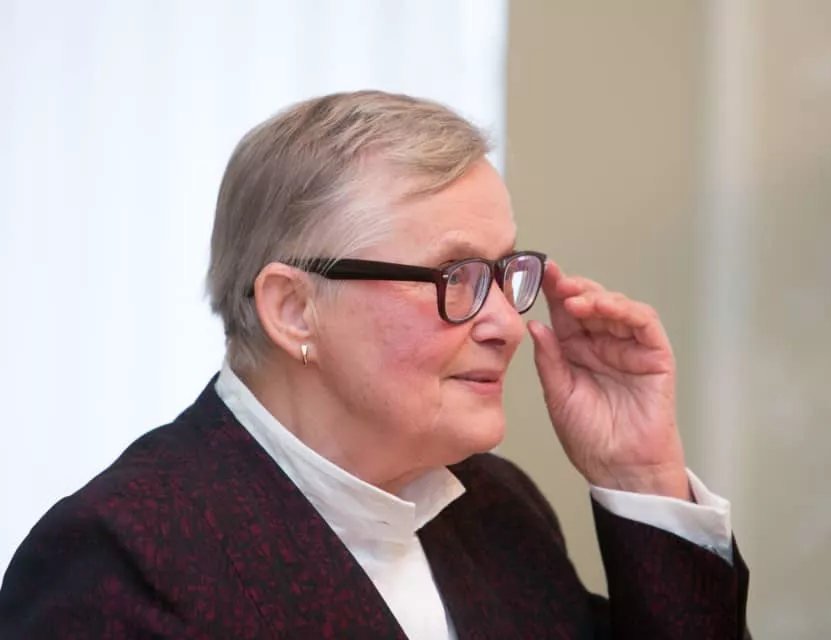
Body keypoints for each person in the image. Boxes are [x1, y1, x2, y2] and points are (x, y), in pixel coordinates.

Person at [0, 91, 749, 639]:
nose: (507, 326)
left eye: (503, 273)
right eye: (456, 277)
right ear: (295, 309)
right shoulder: (123, 556)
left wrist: (638, 474)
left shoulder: (497, 507)